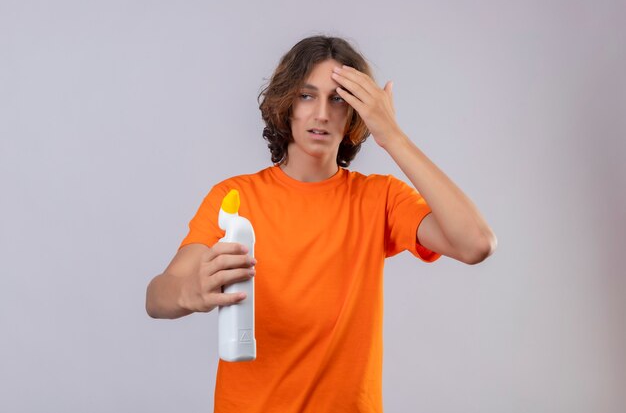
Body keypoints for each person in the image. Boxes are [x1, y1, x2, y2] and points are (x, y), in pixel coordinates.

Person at [146, 35, 497, 412]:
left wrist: (392, 136)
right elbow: (157, 297)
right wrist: (190, 292)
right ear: (286, 105)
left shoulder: (379, 198)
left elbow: (475, 242)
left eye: (339, 99)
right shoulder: (235, 198)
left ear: (354, 114)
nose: (322, 114)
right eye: (307, 95)